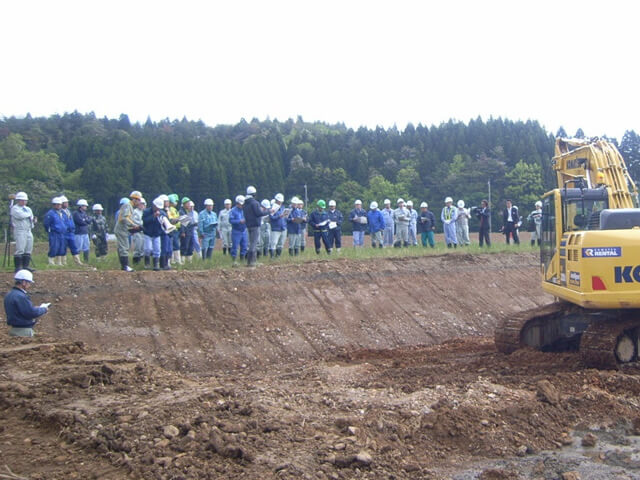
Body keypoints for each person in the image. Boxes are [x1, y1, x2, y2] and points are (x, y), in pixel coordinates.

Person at [4, 270, 50, 337]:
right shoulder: (21, 296)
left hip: (14, 330)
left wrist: (35, 308)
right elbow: (31, 313)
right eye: (29, 283)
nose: (29, 285)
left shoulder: (9, 294)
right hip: (23, 331)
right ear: (24, 282)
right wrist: (44, 309)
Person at [114, 190, 142, 272]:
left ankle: (124, 266)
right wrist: (134, 225)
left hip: (124, 229)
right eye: (139, 200)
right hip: (121, 229)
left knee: (123, 247)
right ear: (135, 199)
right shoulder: (127, 206)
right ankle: (125, 266)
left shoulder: (130, 207)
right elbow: (125, 218)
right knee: (124, 247)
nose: (139, 203)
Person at [243, 186, 268, 267]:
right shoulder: (255, 203)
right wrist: (268, 212)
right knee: (254, 243)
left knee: (250, 243)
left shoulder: (245, 203)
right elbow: (259, 213)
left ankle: (249, 261)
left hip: (248, 225)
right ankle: (252, 262)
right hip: (255, 225)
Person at [10, 191, 35, 272]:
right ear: (18, 200)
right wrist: (29, 215)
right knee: (20, 248)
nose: (24, 202)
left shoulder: (28, 208)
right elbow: (21, 216)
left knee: (28, 248)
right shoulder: (15, 208)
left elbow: (31, 217)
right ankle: (18, 267)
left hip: (28, 229)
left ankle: (25, 266)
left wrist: (32, 218)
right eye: (22, 200)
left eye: (25, 200)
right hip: (20, 230)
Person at [143, 197, 165, 271]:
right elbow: (145, 221)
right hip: (147, 233)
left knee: (157, 249)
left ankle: (156, 264)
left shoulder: (162, 213)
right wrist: (153, 216)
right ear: (154, 205)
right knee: (148, 249)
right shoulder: (146, 212)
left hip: (157, 233)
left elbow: (165, 223)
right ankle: (147, 263)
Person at [60, 196, 83, 265]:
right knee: (63, 247)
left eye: (67, 202)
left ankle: (77, 261)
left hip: (71, 232)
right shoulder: (60, 212)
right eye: (65, 202)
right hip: (64, 233)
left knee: (74, 246)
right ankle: (63, 262)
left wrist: (73, 228)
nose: (67, 204)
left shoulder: (68, 211)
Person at [43, 197, 65, 266]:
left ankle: (59, 261)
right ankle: (51, 261)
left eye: (60, 204)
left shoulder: (61, 213)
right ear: (54, 205)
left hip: (61, 232)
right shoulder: (50, 213)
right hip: (54, 232)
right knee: (54, 246)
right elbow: (46, 223)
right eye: (57, 204)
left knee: (61, 247)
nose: (59, 206)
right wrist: (50, 230)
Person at [229, 195, 247, 267]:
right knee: (235, 246)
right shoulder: (233, 211)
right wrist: (239, 221)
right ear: (237, 203)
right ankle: (234, 260)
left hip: (244, 230)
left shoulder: (245, 210)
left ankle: (242, 259)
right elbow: (231, 220)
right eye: (240, 204)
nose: (242, 206)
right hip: (236, 231)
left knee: (244, 246)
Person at [179, 197, 198, 264]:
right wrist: (183, 231)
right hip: (186, 232)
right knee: (185, 246)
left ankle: (189, 261)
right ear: (184, 204)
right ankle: (182, 261)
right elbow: (183, 224)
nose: (189, 205)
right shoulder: (182, 212)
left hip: (190, 231)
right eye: (188, 203)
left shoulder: (187, 211)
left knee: (190, 246)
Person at [73, 199, 92, 263]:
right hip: (78, 233)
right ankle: (77, 261)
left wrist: (85, 220)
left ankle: (86, 261)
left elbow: (89, 220)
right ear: (81, 206)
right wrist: (85, 221)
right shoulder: (76, 213)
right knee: (78, 247)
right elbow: (80, 222)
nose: (86, 207)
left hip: (85, 232)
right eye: (85, 206)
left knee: (86, 247)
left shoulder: (84, 213)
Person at [269, 193, 287, 258]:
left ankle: (278, 256)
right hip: (276, 228)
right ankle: (272, 256)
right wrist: (279, 216)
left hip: (283, 227)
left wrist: (285, 216)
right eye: (279, 201)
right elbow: (271, 218)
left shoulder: (282, 207)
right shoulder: (273, 208)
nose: (280, 202)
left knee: (281, 243)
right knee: (274, 243)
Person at [167, 194, 183, 265]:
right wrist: (178, 219)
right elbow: (171, 219)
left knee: (176, 244)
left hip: (176, 229)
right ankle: (175, 260)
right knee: (174, 245)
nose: (176, 203)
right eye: (174, 201)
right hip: (172, 229)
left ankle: (175, 260)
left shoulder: (175, 209)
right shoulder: (169, 210)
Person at [131, 198, 146, 266]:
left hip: (144, 232)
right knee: (137, 247)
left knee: (143, 248)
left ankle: (141, 263)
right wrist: (142, 225)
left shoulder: (145, 212)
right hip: (137, 232)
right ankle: (136, 263)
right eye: (140, 204)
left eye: (143, 204)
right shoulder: (135, 212)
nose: (141, 205)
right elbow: (134, 221)